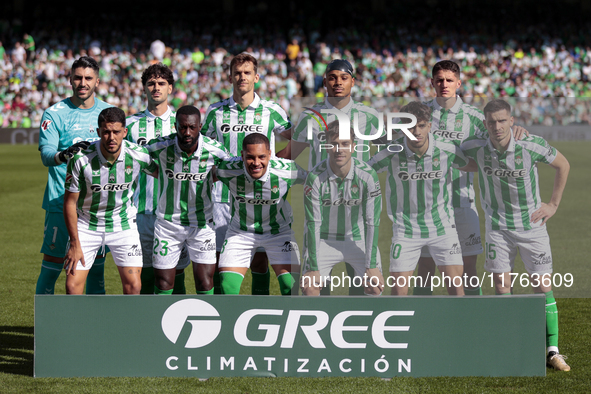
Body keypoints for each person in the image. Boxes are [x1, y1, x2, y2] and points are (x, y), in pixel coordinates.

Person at [461, 99, 571, 371]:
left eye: (502, 121)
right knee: (501, 288)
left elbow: (563, 165)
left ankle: (552, 351)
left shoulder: (530, 144)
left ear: (511, 121)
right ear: (484, 124)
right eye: (491, 122)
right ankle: (507, 347)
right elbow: (462, 162)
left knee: (542, 287)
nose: (497, 127)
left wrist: (553, 205)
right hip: (498, 228)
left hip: (533, 228)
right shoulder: (475, 146)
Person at [415, 60, 527, 296]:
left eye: (449, 80)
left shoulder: (475, 117)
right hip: (426, 206)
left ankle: (469, 326)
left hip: (463, 203)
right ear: (432, 82)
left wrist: (519, 132)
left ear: (459, 83)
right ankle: (419, 327)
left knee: (468, 269)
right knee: (425, 268)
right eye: (439, 80)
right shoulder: (419, 113)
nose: (444, 84)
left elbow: (499, 141)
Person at [200, 52, 292, 295]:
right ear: (230, 77)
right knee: (222, 259)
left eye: (247, 73)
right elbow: (203, 148)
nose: (242, 77)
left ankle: (258, 307)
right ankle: (221, 314)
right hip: (221, 197)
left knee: (259, 259)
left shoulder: (272, 110)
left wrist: (280, 162)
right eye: (237, 73)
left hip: (259, 196)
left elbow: (298, 139)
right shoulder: (215, 112)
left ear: (257, 77)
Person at [289, 58, 382, 294]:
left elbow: (389, 149)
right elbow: (290, 155)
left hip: (358, 222)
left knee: (365, 290)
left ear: (353, 81)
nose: (337, 82)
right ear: (324, 81)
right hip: (320, 220)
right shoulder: (309, 116)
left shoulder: (368, 115)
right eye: (332, 77)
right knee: (317, 291)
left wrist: (369, 170)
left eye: (343, 77)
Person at [368, 102, 474, 296]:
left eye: (422, 125)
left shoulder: (447, 149)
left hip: (442, 227)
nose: (416, 131)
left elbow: (472, 165)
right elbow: (364, 171)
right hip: (405, 229)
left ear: (430, 126)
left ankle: (460, 326)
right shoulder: (391, 151)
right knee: (399, 291)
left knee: (457, 288)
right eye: (410, 126)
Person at [37, 56, 112, 295]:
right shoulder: (54, 113)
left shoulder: (108, 113)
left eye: (88, 78)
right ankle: (45, 328)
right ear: (70, 79)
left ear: (97, 81)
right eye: (78, 77)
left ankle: (93, 326)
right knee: (52, 267)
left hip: (95, 206)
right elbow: (47, 155)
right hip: (61, 201)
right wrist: (64, 154)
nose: (83, 82)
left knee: (95, 269)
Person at [62, 107, 158, 294]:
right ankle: (79, 324)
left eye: (116, 132)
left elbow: (164, 174)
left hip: (123, 225)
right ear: (99, 132)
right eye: (106, 132)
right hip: (87, 225)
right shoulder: (80, 159)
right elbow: (69, 203)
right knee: (72, 286)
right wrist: (74, 243)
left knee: (134, 286)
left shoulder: (139, 155)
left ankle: (128, 324)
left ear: (125, 132)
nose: (111, 137)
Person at [145, 106, 230, 295]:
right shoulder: (159, 146)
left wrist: (211, 177)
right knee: (164, 282)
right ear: (175, 126)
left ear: (200, 126)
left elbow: (229, 169)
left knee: (205, 282)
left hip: (202, 224)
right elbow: (136, 157)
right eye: (182, 127)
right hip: (168, 224)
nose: (187, 132)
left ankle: (207, 322)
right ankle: (160, 321)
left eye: (192, 127)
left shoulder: (214, 150)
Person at [126, 63, 189, 294]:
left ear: (170, 88)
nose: (156, 88)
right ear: (144, 88)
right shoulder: (130, 126)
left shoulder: (183, 125)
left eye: (161, 83)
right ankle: (147, 325)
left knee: (176, 273)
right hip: (141, 211)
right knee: (146, 272)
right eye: (151, 83)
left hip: (176, 213)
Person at [216, 133, 305, 295]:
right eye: (250, 157)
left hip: (279, 232)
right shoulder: (226, 169)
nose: (256, 163)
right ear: (242, 155)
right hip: (240, 232)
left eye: (262, 157)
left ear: (270, 154)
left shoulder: (288, 170)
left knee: (290, 286)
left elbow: (315, 180)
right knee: (228, 286)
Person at [301, 121, 384, 296]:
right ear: (326, 146)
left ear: (353, 146)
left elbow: (372, 222)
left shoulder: (368, 176)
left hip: (357, 238)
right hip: (324, 240)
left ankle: (363, 323)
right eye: (334, 144)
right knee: (310, 287)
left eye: (345, 144)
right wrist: (313, 268)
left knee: (375, 287)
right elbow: (313, 224)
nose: (339, 149)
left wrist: (372, 266)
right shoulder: (315, 178)